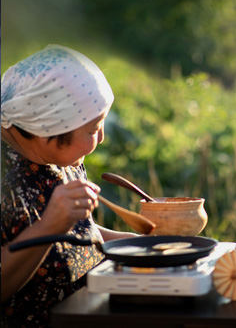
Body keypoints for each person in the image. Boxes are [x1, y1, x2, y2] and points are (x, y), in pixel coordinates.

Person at [1, 45, 138, 327]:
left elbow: (81, 233)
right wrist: (50, 226)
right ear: (47, 128)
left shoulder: (61, 158)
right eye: (92, 129)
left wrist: (151, 246)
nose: (100, 139)